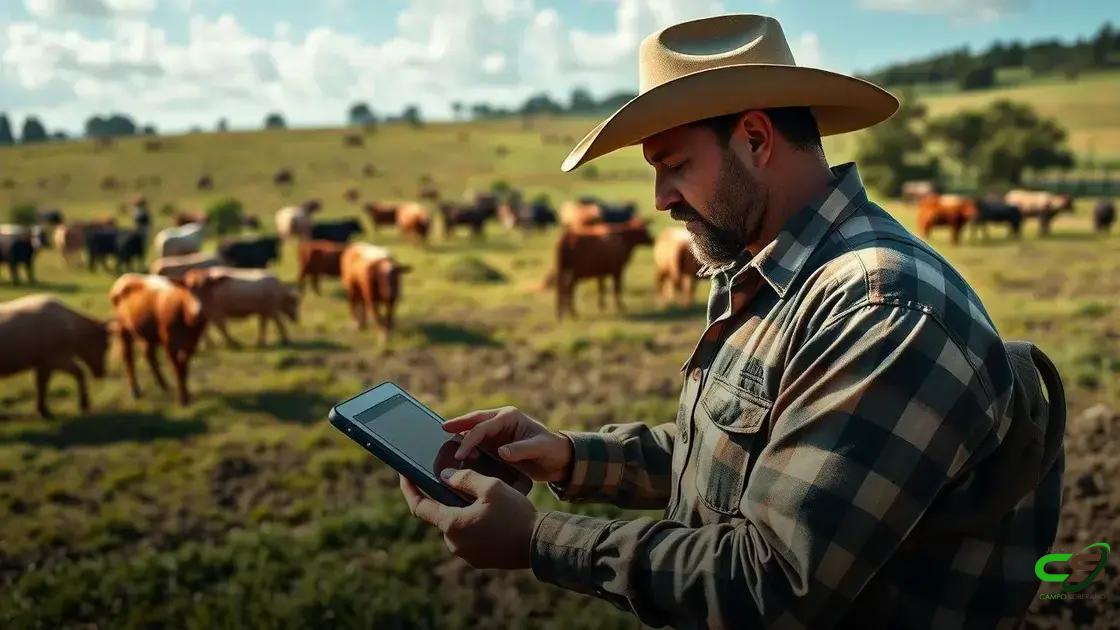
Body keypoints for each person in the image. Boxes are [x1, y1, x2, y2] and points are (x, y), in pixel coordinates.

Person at [399, 14, 1064, 628]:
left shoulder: (879, 309)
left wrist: (537, 539)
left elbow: (773, 584)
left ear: (754, 139)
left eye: (674, 166)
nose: (659, 200)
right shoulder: (778, 270)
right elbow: (745, 458)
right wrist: (569, 455)